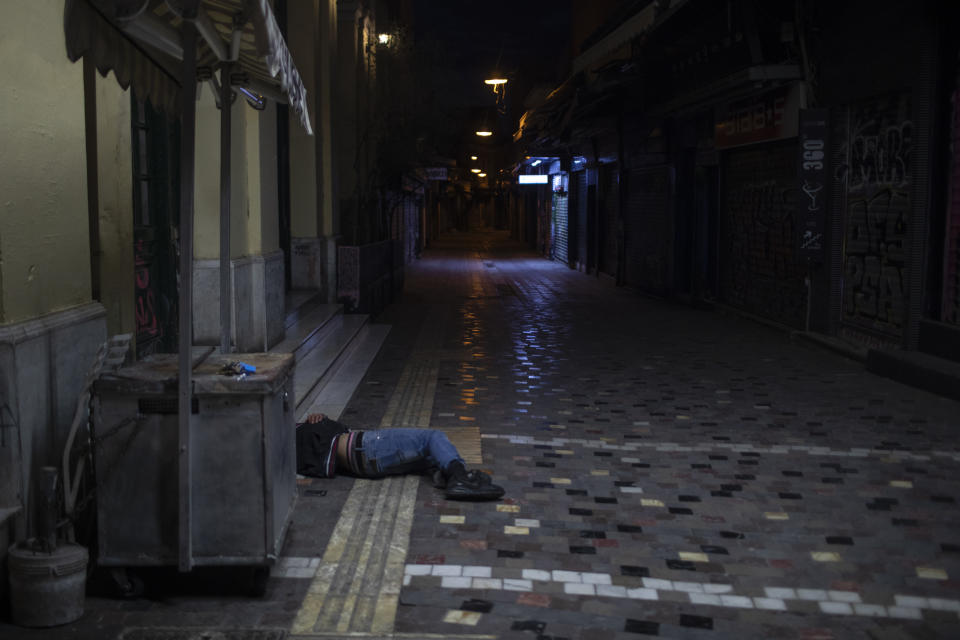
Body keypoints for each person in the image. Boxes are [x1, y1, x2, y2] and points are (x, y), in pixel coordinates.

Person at [295, 413, 504, 501]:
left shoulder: (291, 435)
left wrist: (318, 418)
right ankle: (460, 478)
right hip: (365, 447)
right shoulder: (285, 440)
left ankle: (451, 476)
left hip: (364, 458)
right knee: (431, 437)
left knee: (430, 453)